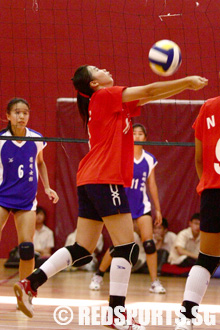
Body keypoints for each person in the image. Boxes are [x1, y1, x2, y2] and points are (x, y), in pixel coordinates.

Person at [13, 65, 207, 329]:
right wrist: (186, 81)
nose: (104, 68)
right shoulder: (104, 96)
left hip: (90, 179)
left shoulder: (114, 104)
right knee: (127, 248)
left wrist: (184, 86)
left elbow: (149, 96)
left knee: (82, 250)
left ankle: (30, 282)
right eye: (97, 69)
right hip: (105, 179)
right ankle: (117, 314)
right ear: (94, 83)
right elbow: (150, 89)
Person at [90, 123, 166, 293]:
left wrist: (158, 209)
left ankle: (155, 282)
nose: (137, 136)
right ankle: (99, 274)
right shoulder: (122, 155)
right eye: (134, 133)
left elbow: (152, 185)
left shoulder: (149, 159)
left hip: (141, 205)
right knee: (120, 245)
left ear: (145, 138)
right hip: (123, 205)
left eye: (140, 134)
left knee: (149, 244)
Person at [175, 93, 220, 330]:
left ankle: (186, 318)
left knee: (207, 260)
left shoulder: (208, 107)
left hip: (213, 191)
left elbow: (199, 159)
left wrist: (209, 186)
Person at [0, 98, 59, 281]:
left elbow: (40, 163)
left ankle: (26, 292)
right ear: (8, 116)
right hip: (2, 197)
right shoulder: (1, 140)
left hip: (25, 200)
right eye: (17, 112)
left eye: (25, 113)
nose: (22, 116)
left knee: (27, 249)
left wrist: (47, 187)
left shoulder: (36, 139)